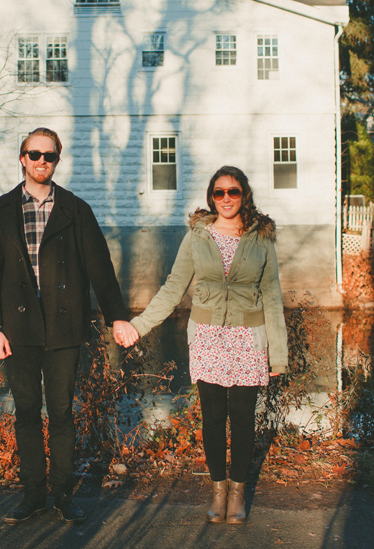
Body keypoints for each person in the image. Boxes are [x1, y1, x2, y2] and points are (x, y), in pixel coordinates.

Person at [113, 166, 287, 524]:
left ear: (244, 195)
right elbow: (173, 288)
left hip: (247, 339)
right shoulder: (198, 236)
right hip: (207, 337)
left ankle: (237, 492)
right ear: (212, 196)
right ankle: (218, 488)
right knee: (212, 418)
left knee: (241, 418)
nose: (226, 199)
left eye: (233, 192)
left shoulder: (261, 238)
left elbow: (272, 296)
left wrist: (278, 353)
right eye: (219, 192)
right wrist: (138, 326)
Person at [0, 127, 132, 525]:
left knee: (62, 412)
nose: (41, 161)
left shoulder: (75, 210)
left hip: (65, 328)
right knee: (27, 411)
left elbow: (100, 267)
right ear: (22, 158)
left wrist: (117, 315)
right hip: (17, 329)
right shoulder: (0, 211)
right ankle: (32, 495)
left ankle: (64, 496)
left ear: (57, 160)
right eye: (34, 154)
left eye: (49, 155)